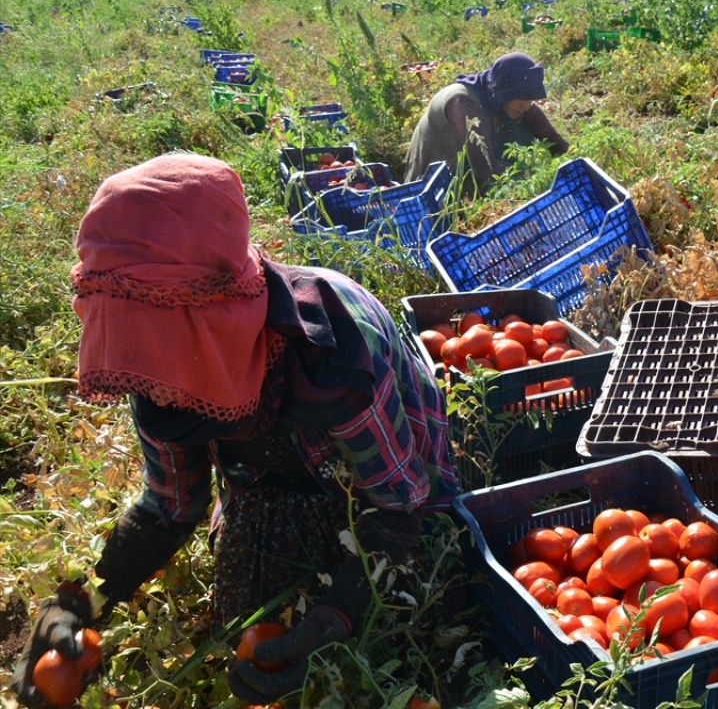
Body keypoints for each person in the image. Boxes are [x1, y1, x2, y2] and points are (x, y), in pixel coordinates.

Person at [9, 154, 457, 707]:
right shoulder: (156, 370)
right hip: (271, 474)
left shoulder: (334, 353)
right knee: (250, 613)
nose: (153, 380)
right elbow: (167, 508)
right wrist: (81, 602)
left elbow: (395, 508)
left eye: (159, 345)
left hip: (383, 480)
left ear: (216, 315)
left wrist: (336, 614)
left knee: (397, 612)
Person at [403, 51, 570, 197]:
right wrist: (535, 184)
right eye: (522, 99)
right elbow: (486, 170)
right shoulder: (463, 104)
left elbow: (555, 142)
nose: (526, 106)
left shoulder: (499, 96)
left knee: (525, 128)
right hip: (433, 189)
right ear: (504, 92)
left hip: (471, 168)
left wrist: (566, 160)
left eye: (530, 99)